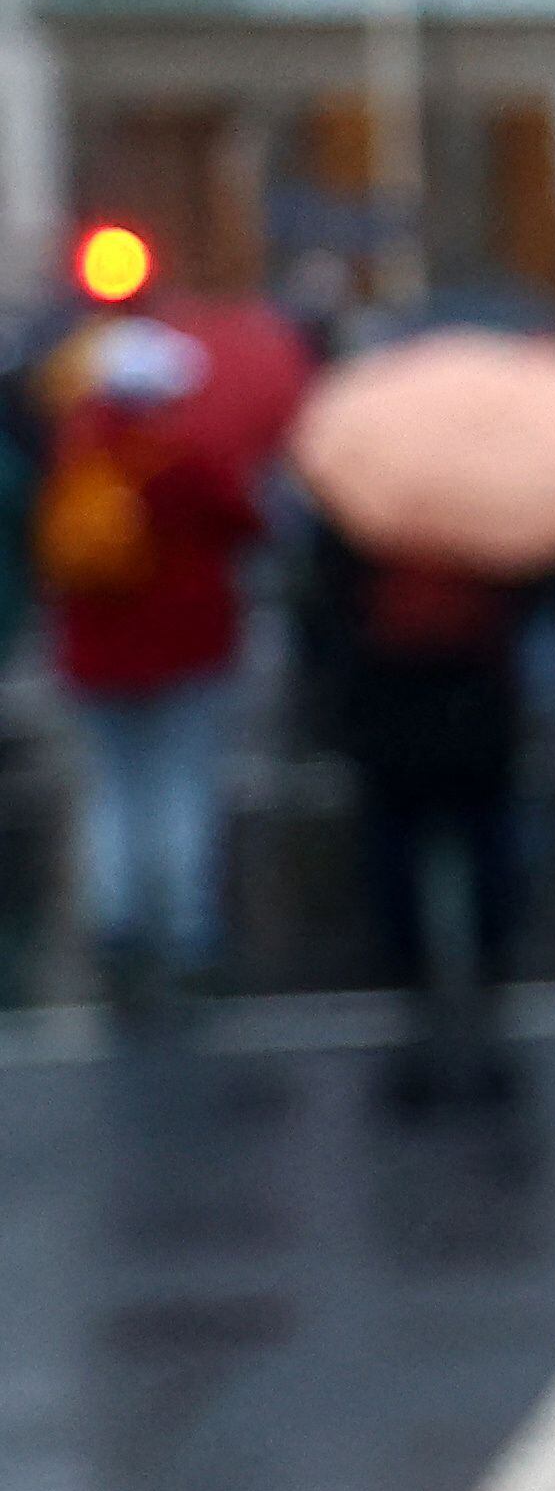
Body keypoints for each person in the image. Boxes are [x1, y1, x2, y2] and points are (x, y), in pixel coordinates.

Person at [34, 317, 257, 1013]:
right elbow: (247, 525)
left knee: (112, 791)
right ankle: (188, 927)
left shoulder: (78, 455)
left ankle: (117, 921)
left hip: (97, 653)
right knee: (182, 786)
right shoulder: (189, 457)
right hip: (187, 647)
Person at [316, 525, 537, 1106]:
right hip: (477, 696)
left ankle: (411, 979)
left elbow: (331, 595)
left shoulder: (366, 499)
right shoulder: (489, 502)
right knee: (487, 842)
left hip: (391, 696)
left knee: (396, 848)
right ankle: (488, 975)